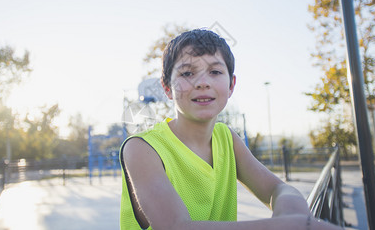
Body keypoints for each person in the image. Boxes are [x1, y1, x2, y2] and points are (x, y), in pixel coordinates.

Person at [120, 29, 342, 230]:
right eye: (187, 73)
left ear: (231, 85)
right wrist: (289, 225)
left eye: (215, 72)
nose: (202, 82)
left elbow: (278, 189)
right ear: (168, 88)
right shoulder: (141, 148)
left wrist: (293, 213)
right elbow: (176, 226)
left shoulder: (226, 139)